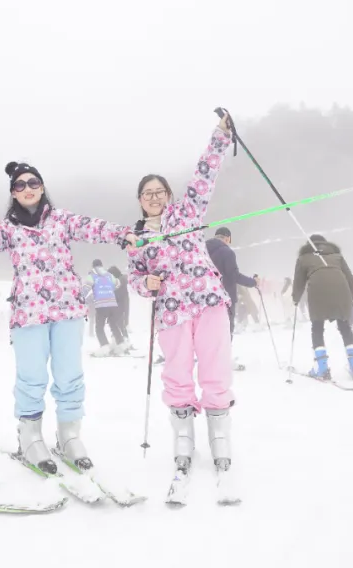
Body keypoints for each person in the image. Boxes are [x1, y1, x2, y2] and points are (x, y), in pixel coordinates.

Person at [0, 160, 137, 475]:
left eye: (33, 182)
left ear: (42, 187)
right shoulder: (8, 229)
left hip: (67, 309)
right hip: (29, 313)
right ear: (13, 192)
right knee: (32, 377)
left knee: (69, 375)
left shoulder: (61, 219)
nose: (28, 189)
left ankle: (69, 435)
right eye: (20, 185)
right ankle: (30, 437)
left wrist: (121, 235)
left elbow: (93, 226)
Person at [126, 113, 235, 482]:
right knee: (176, 373)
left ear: (169, 196)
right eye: (147, 193)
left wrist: (220, 137)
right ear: (140, 200)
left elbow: (205, 174)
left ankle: (220, 439)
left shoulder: (188, 212)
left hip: (207, 299)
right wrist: (147, 286)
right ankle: (183, 441)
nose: (154, 197)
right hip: (171, 312)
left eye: (159, 191)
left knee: (215, 367)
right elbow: (135, 277)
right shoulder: (136, 236)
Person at [291, 236, 353, 380]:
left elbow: (298, 282)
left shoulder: (304, 258)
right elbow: (349, 277)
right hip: (342, 291)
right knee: (345, 327)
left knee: (317, 328)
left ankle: (322, 367)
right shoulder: (337, 256)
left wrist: (296, 298)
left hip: (318, 292)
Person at [204, 227, 257, 335]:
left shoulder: (201, 250)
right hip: (224, 299)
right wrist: (253, 282)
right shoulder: (227, 252)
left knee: (208, 334)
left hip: (203, 299)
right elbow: (234, 276)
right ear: (228, 239)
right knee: (225, 333)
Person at [84, 259, 128, 356]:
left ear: (93, 266)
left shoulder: (92, 275)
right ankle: (121, 344)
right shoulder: (109, 275)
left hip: (101, 304)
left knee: (99, 327)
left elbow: (85, 289)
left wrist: (81, 298)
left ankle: (104, 347)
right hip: (112, 304)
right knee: (113, 324)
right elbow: (117, 284)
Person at [107, 266, 130, 340]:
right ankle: (123, 342)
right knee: (120, 325)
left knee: (116, 324)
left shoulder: (120, 282)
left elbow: (117, 294)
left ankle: (121, 343)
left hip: (119, 306)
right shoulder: (120, 280)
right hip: (119, 306)